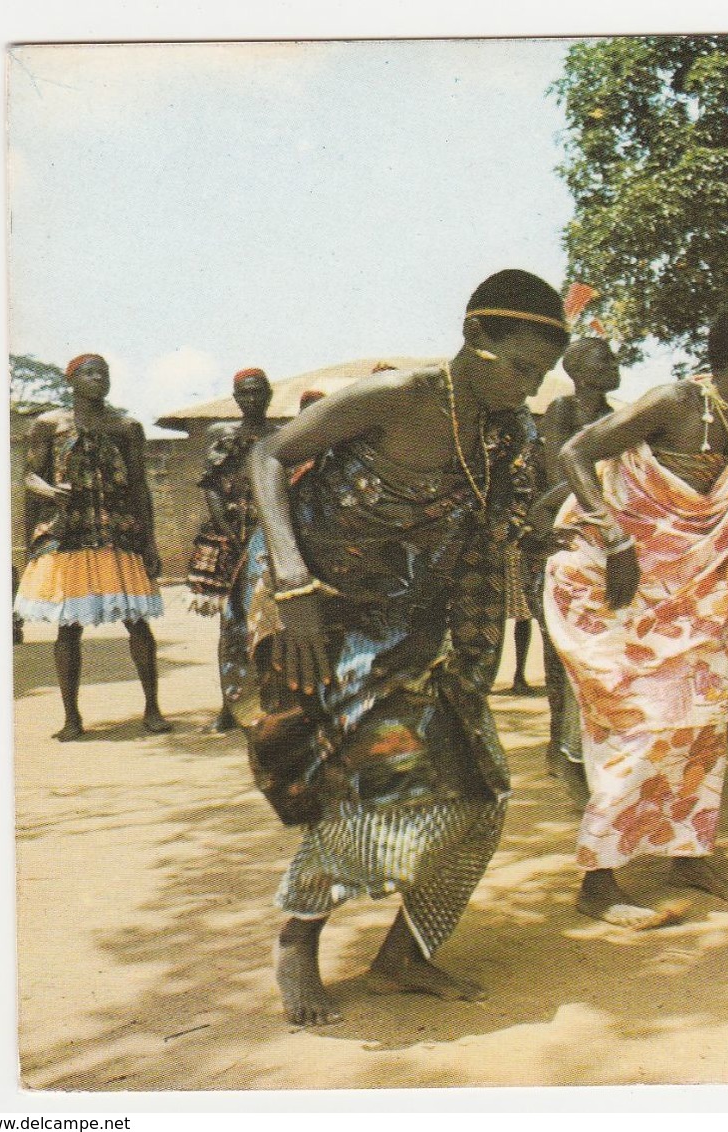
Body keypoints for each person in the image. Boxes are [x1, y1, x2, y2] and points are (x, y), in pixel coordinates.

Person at [223, 268, 566, 1026]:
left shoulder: (502, 431)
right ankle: (299, 939)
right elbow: (269, 458)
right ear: (475, 337)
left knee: (481, 792)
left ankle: (405, 953)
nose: (528, 387)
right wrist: (292, 583)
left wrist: (570, 531)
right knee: (362, 781)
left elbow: (500, 523)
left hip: (410, 621)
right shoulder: (403, 396)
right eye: (519, 367)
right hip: (314, 610)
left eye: (540, 376)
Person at [544, 297, 728, 929]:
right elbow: (576, 453)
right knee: (639, 724)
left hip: (690, 597)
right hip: (610, 584)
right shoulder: (675, 403)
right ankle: (599, 881)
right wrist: (617, 538)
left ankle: (688, 855)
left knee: (703, 720)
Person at [15, 354, 170, 741]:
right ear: (72, 380)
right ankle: (72, 718)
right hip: (67, 534)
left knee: (137, 623)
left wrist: (149, 542)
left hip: (118, 532)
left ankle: (152, 708)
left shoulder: (126, 427)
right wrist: (49, 492)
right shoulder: (49, 424)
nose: (99, 379)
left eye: (104, 373)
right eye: (90, 373)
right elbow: (29, 476)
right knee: (68, 629)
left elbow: (139, 487)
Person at [531, 335, 622, 800]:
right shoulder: (561, 413)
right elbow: (560, 474)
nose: (615, 364)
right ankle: (560, 745)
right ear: (579, 371)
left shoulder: (617, 417)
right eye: (604, 359)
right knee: (560, 649)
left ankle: (586, 748)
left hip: (604, 530)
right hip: (566, 527)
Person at [187, 368, 278, 731]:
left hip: (272, 534)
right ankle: (232, 706)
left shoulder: (282, 436)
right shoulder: (223, 436)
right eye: (244, 393)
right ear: (236, 397)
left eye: (258, 392)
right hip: (231, 538)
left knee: (274, 621)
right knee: (233, 623)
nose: (252, 399)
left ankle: (272, 703)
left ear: (269, 394)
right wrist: (229, 532)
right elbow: (210, 486)